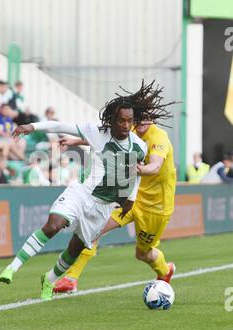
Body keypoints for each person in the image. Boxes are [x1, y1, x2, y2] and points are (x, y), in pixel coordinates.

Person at [0, 87, 148, 301]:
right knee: (54, 225)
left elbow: (135, 174)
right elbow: (60, 125)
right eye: (121, 121)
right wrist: (32, 126)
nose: (126, 126)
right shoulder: (96, 132)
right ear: (113, 119)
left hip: (103, 206)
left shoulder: (140, 146)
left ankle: (49, 279)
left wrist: (131, 199)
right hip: (80, 192)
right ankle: (12, 268)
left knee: (75, 249)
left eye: (129, 121)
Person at [54, 81, 178, 294]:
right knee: (94, 230)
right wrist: (76, 141)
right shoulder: (130, 132)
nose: (138, 125)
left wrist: (140, 169)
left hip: (155, 206)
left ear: (152, 118)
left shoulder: (159, 138)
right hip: (128, 197)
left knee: (143, 253)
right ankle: (71, 279)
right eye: (136, 120)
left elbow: (155, 166)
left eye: (143, 120)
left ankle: (165, 270)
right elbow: (105, 138)